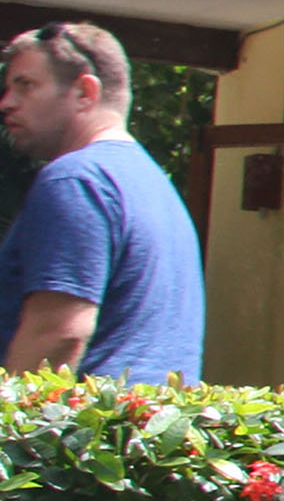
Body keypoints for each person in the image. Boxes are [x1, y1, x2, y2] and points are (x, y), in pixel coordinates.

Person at [0, 21, 203, 382]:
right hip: (143, 431)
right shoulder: (154, 185)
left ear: (84, 92)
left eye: (26, 86)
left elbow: (58, 332)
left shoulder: (77, 180)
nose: (6, 103)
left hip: (80, 436)